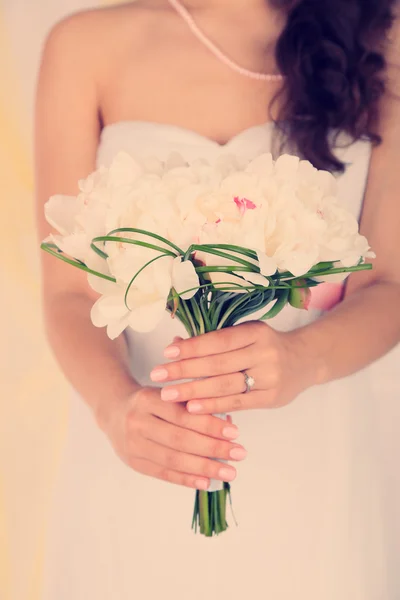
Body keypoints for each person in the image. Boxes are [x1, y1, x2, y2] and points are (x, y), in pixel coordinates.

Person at [35, 1, 400, 598]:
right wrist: (117, 409)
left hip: (316, 463)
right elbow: (69, 290)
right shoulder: (84, 45)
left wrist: (304, 357)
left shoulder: (377, 38)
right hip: (143, 441)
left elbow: (390, 284)